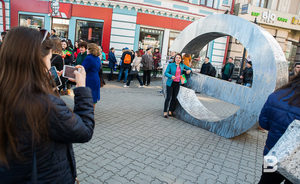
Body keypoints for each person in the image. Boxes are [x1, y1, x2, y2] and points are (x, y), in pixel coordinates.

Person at [0, 26, 94, 183]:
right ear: (37, 60)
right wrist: (82, 88)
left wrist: (46, 83)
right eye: (48, 59)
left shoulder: (8, 91)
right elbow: (84, 130)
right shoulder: (44, 104)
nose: (49, 65)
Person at [258, 73, 300, 184]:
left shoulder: (277, 95)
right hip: (297, 162)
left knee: (266, 181)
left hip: (273, 153)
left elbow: (264, 123)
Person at [163, 53, 192, 118]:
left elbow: (190, 68)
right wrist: (171, 76)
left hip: (177, 83)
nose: (178, 59)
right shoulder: (170, 65)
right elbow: (166, 73)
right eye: (176, 58)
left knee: (174, 98)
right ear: (174, 59)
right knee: (168, 97)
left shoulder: (182, 65)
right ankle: (165, 111)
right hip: (170, 83)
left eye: (179, 58)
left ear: (181, 59)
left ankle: (170, 111)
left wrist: (189, 70)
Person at [82, 43, 101, 109]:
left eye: (87, 49)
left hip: (89, 78)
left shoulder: (89, 58)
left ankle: (87, 113)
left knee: (87, 96)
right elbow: (99, 69)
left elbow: (83, 69)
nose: (86, 50)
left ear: (90, 50)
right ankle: (91, 112)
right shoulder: (98, 58)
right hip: (96, 78)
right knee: (94, 97)